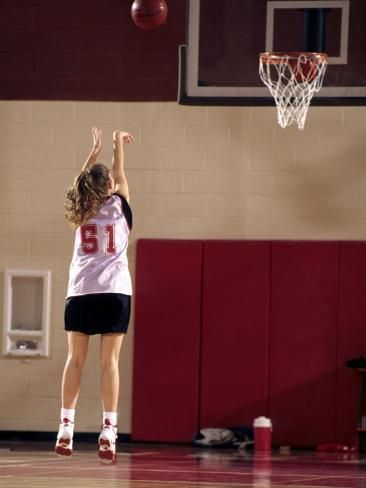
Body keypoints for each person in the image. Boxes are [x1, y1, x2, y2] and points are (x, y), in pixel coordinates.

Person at [55, 127, 134, 464]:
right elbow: (118, 173)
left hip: (81, 292)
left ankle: (66, 427)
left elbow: (78, 184)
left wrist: (92, 152)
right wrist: (116, 143)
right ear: (110, 189)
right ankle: (109, 430)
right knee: (109, 363)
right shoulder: (120, 206)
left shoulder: (80, 211)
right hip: (114, 291)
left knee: (75, 360)